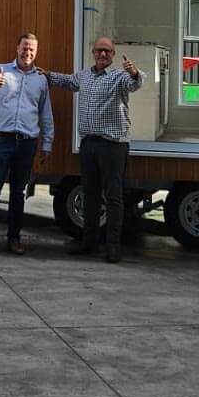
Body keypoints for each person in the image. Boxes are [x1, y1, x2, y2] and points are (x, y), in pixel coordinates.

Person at [42, 37, 142, 263]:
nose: (103, 54)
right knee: (90, 195)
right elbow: (68, 81)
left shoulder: (120, 77)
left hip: (113, 145)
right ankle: (89, 244)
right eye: (99, 50)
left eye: (107, 51)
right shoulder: (84, 76)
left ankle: (113, 247)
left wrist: (135, 72)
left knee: (114, 197)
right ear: (93, 53)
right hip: (88, 144)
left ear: (113, 55)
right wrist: (46, 75)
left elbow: (135, 84)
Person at [0, 33, 53, 256]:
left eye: (32, 49)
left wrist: (47, 143)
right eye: (24, 48)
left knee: (18, 193)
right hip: (1, 141)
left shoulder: (40, 79)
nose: (28, 53)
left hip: (27, 144)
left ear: (36, 52)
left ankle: (14, 239)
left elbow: (45, 113)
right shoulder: (0, 69)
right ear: (17, 48)